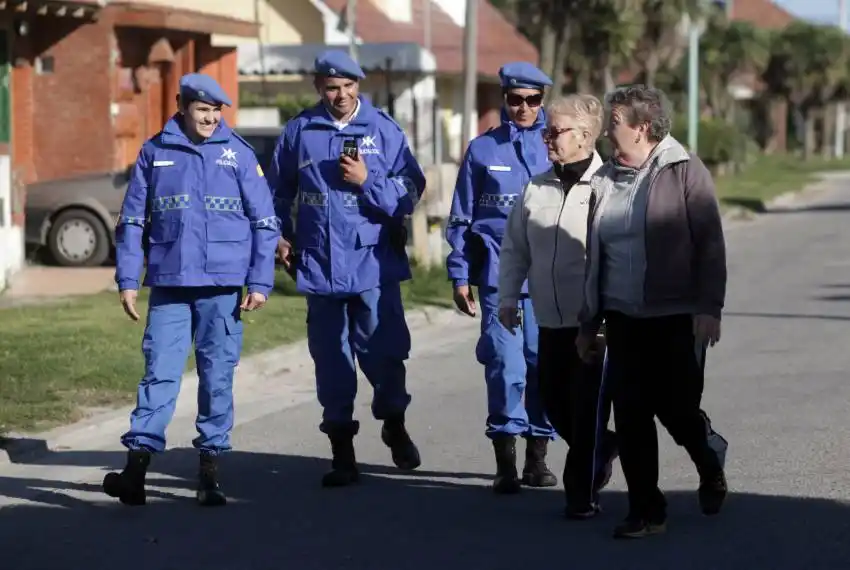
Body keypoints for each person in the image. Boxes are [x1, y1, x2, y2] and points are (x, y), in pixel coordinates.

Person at [103, 73, 280, 507]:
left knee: (217, 377)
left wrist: (259, 280)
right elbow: (131, 222)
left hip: (221, 288)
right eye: (203, 110)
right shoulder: (154, 152)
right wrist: (128, 278)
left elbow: (265, 222)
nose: (211, 118)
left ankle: (209, 474)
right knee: (158, 374)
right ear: (182, 105)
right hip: (169, 284)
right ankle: (135, 472)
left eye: (217, 111)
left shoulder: (237, 154)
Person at [267, 50, 426, 488]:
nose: (341, 95)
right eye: (332, 87)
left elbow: (411, 190)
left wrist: (368, 181)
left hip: (372, 262)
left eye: (349, 86)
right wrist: (279, 236)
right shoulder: (300, 131)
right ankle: (342, 453)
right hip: (318, 263)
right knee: (331, 360)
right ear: (319, 87)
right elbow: (275, 193)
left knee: (384, 353)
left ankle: (394, 421)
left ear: (360, 85)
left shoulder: (384, 130)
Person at [576, 85, 729, 539]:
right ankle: (647, 510)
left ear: (641, 128)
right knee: (632, 411)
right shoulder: (604, 179)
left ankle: (708, 455)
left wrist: (708, 307)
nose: (607, 129)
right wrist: (590, 323)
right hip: (623, 317)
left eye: (615, 121)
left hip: (675, 314)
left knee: (677, 409)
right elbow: (594, 258)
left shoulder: (683, 170)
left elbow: (710, 245)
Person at [498, 94, 618, 518]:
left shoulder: (609, 186)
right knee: (552, 403)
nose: (546, 138)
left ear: (586, 137)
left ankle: (580, 496)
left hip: (594, 323)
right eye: (546, 130)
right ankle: (605, 446)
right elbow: (514, 249)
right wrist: (508, 297)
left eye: (555, 131)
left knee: (585, 410)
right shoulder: (536, 186)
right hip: (548, 319)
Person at [445, 62, 557, 494]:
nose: (524, 108)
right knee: (504, 366)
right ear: (503, 100)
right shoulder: (482, 151)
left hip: (549, 279)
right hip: (498, 279)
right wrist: (459, 274)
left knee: (542, 367)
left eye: (532, 100)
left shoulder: (559, 145)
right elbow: (461, 218)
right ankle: (505, 462)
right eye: (515, 100)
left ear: (542, 100)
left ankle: (537, 457)